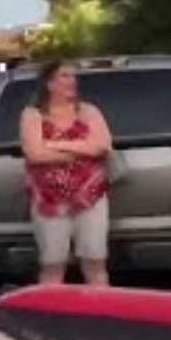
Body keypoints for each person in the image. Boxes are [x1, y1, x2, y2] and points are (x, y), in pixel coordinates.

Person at [19, 60, 114, 286]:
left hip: (90, 198)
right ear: (50, 83)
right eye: (65, 75)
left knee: (95, 262)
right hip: (49, 200)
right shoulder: (32, 115)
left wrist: (53, 145)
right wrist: (82, 150)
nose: (72, 80)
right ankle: (52, 318)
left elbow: (102, 146)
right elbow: (34, 154)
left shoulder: (89, 111)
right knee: (53, 265)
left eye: (73, 75)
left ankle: (101, 313)